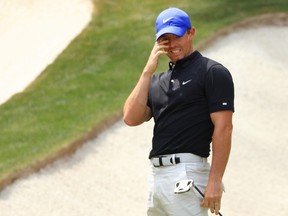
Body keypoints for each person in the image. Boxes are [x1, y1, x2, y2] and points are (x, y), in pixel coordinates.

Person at [123, 7, 234, 216]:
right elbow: (130, 117)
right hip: (157, 177)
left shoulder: (212, 72)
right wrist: (147, 71)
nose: (172, 44)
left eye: (177, 36)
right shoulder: (157, 82)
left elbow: (224, 128)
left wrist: (215, 181)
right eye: (165, 39)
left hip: (188, 174)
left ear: (191, 33)